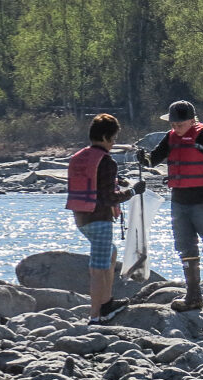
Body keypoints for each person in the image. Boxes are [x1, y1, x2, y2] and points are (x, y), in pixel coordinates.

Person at [137, 100, 203, 310]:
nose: (176, 127)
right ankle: (193, 296)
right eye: (173, 124)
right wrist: (143, 159)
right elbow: (153, 160)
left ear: (192, 121)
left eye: (180, 124)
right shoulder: (170, 137)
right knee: (185, 246)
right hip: (179, 202)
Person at [66, 113, 144, 325]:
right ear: (106, 137)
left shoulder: (80, 156)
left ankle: (107, 302)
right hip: (100, 219)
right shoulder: (107, 161)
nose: (114, 142)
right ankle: (96, 316)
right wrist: (133, 191)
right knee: (99, 268)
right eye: (114, 138)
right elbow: (109, 198)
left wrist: (117, 181)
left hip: (81, 218)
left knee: (111, 253)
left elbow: (94, 182)